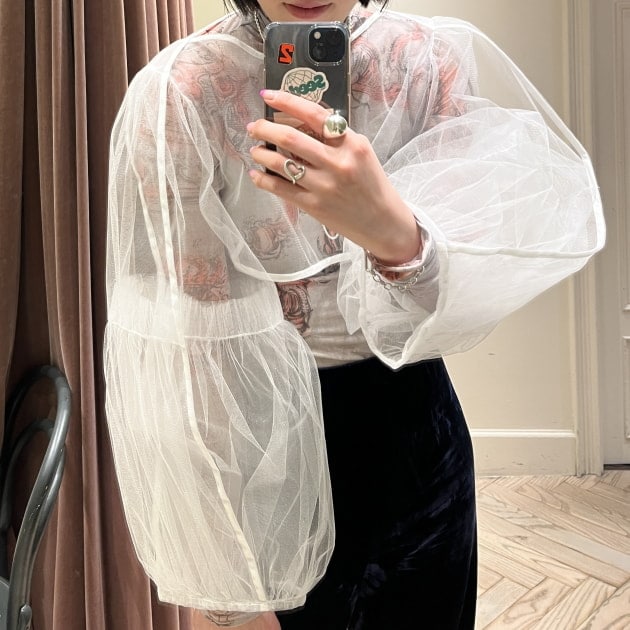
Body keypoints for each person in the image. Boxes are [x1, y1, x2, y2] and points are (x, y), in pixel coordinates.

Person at [104, 1, 605, 629]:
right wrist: (230, 589)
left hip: (414, 433)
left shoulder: (423, 60)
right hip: (255, 438)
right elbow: (181, 344)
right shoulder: (183, 90)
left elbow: (457, 307)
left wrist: (393, 233)